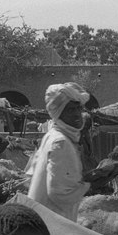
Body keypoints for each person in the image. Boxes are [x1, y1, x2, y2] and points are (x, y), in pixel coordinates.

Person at [27, 83, 91, 221]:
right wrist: (90, 184)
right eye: (70, 110)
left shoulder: (53, 135)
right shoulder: (60, 142)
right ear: (59, 113)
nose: (77, 114)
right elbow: (59, 194)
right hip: (52, 225)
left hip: (41, 221)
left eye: (78, 109)